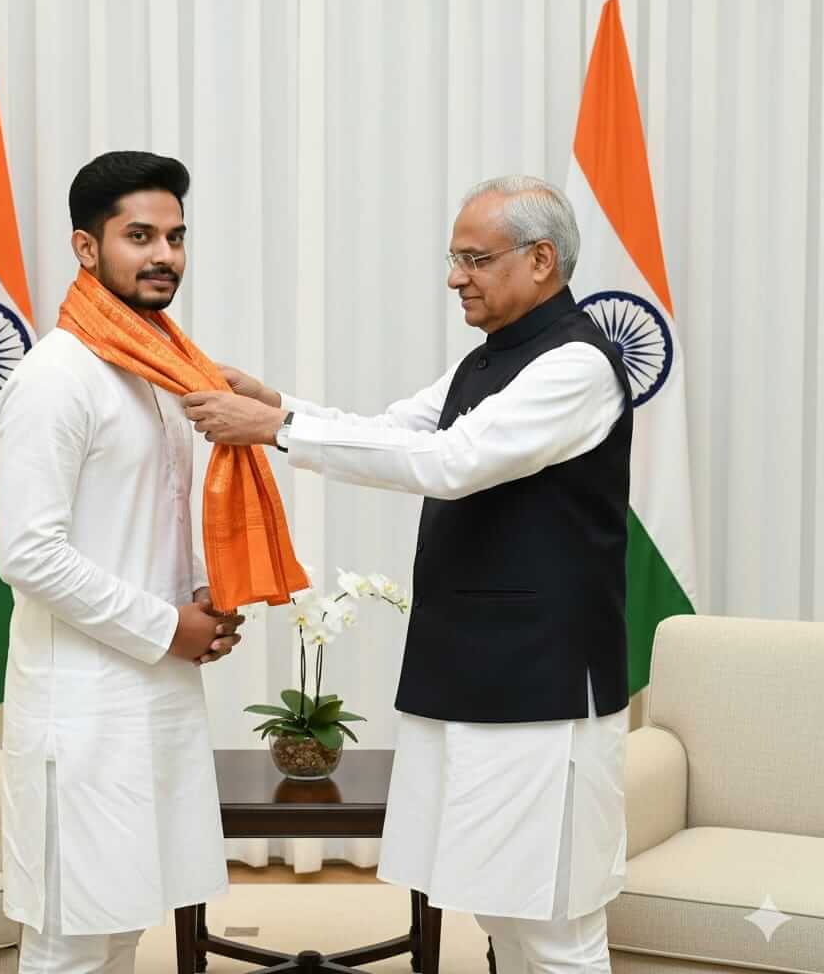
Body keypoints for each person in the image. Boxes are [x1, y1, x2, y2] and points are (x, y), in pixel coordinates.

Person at [182, 175, 633, 973]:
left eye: (474, 258)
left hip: (545, 684)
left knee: (556, 920)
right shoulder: (490, 359)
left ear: (540, 260)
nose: (455, 276)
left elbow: (451, 462)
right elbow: (390, 431)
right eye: (453, 258)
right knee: (499, 906)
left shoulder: (578, 366)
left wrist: (277, 429)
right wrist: (278, 403)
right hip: (470, 668)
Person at [0, 151, 245, 973]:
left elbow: (146, 524)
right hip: (84, 707)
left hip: (158, 699)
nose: (164, 254)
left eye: (175, 236)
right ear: (85, 247)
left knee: (126, 924)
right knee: (71, 939)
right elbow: (29, 553)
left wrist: (205, 597)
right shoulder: (56, 377)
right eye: (139, 235)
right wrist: (168, 624)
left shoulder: (160, 371)